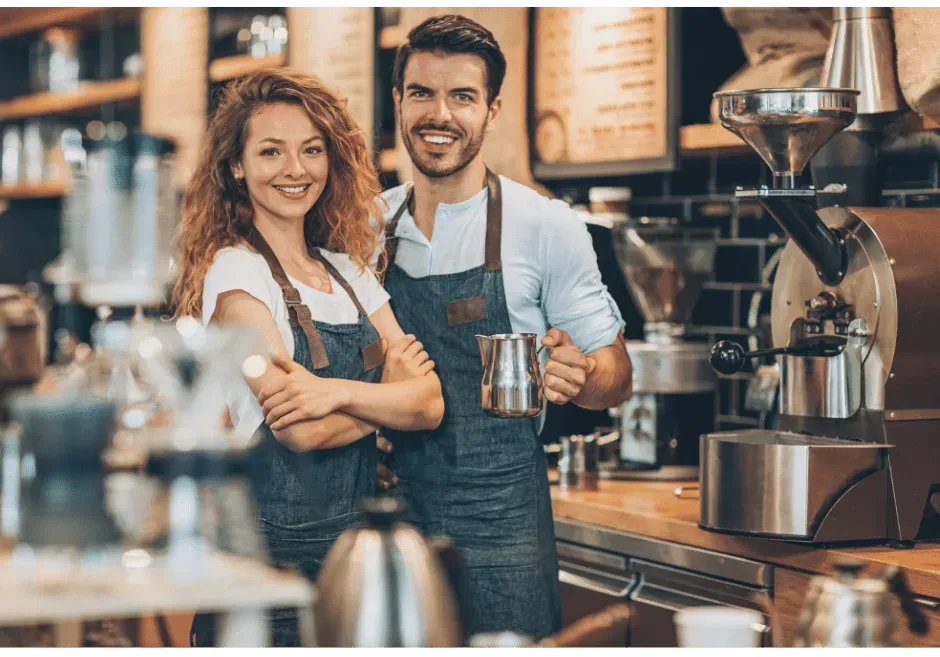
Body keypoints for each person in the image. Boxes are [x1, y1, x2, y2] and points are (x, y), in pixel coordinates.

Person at [378, 15, 634, 641]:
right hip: (386, 511)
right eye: (422, 93)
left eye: (462, 96)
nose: (439, 113)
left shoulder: (545, 225)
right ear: (398, 101)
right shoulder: (367, 226)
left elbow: (618, 376)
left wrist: (583, 375)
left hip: (503, 520)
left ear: (491, 110)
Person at [172, 68, 444, 646]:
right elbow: (298, 430)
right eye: (271, 151)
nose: (295, 170)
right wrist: (387, 397)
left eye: (311, 150)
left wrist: (335, 392)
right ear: (237, 166)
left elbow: (431, 405)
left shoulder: (349, 272)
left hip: (353, 563)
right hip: (266, 575)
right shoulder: (236, 271)